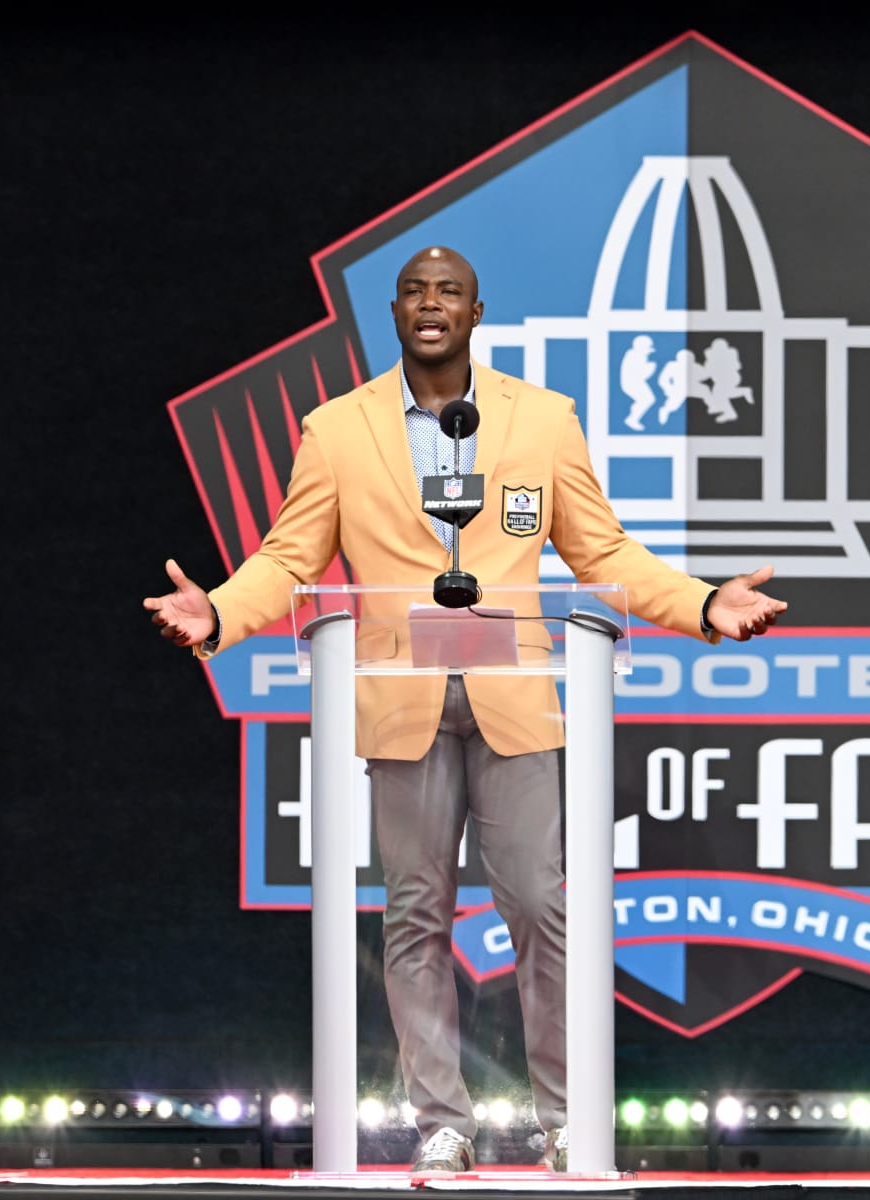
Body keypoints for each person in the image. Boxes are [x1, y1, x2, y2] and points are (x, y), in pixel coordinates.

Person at [144, 245, 787, 1174]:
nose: (431, 304)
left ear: (477, 313)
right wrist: (220, 617)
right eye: (414, 292)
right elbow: (289, 560)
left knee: (537, 902)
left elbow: (604, 553)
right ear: (395, 314)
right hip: (398, 697)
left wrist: (699, 605)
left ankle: (569, 1118)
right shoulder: (336, 430)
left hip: (514, 697)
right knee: (415, 914)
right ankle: (442, 1120)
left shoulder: (542, 420)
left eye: (449, 292)